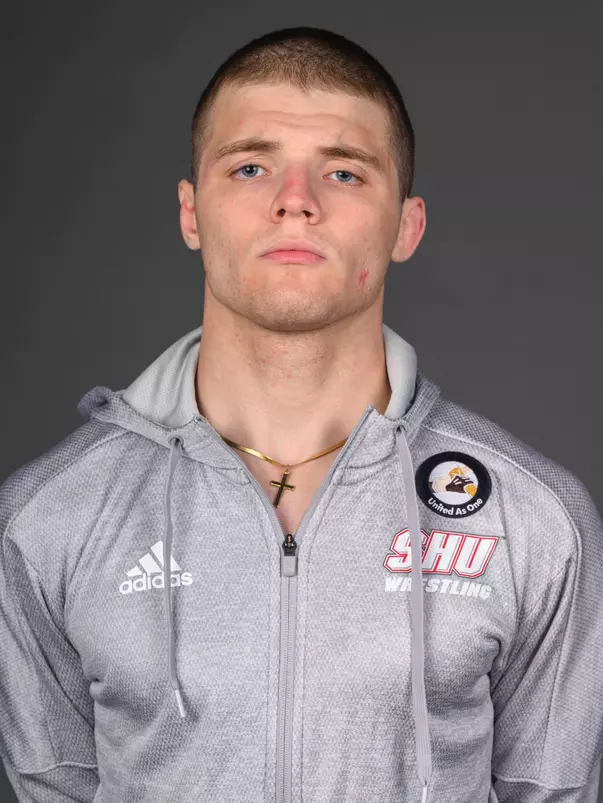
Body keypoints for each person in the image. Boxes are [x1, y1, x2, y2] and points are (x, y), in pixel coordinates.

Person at [0, 25, 601, 803]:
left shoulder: (532, 520)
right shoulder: (48, 518)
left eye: (344, 173)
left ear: (405, 225)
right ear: (190, 213)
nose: (294, 202)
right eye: (250, 167)